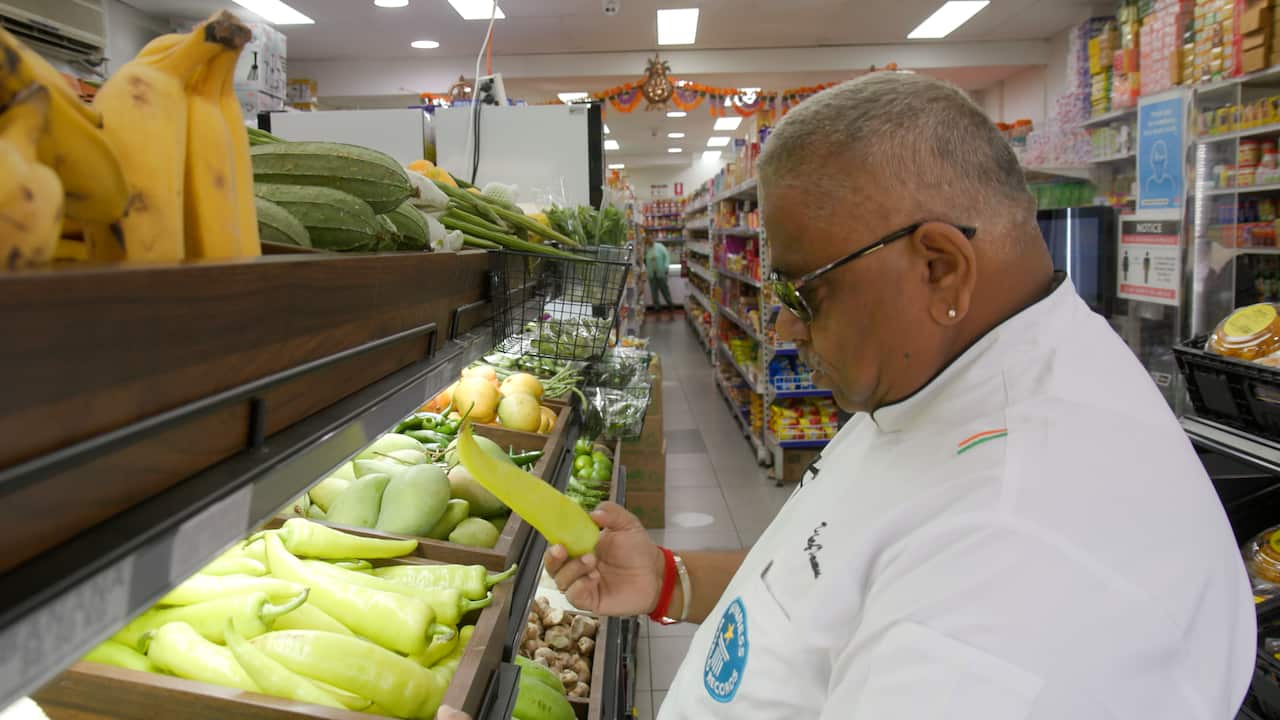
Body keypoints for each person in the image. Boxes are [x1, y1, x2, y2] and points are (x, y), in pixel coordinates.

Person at [538, 72, 1255, 719]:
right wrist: (672, 580)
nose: (783, 323)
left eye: (804, 290)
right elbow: (836, 576)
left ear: (940, 266)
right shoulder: (943, 368)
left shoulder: (1020, 559)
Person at [645, 238, 674, 315]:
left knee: (664, 289)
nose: (649, 242)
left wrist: (666, 266)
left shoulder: (660, 246)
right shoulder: (646, 248)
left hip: (661, 271)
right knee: (654, 291)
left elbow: (667, 256)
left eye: (650, 241)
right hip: (651, 273)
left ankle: (670, 305)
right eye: (647, 241)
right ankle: (656, 307)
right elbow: (644, 259)